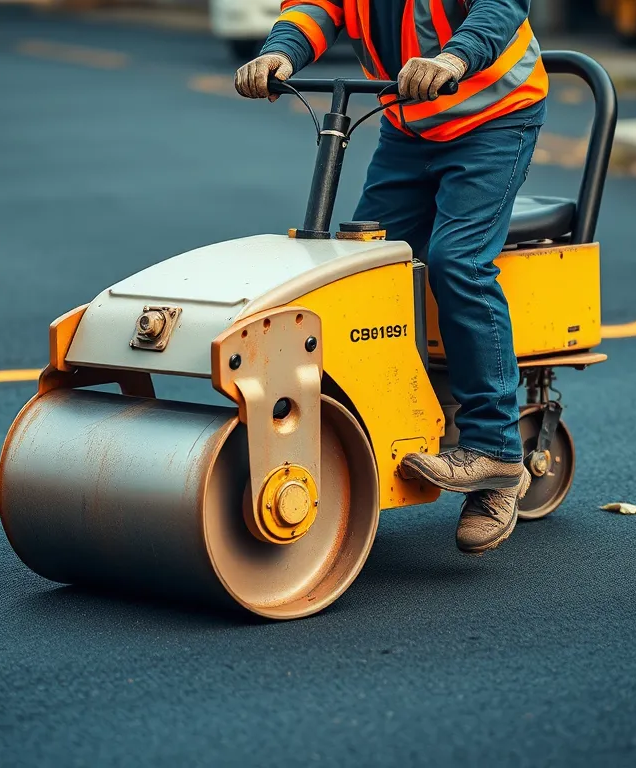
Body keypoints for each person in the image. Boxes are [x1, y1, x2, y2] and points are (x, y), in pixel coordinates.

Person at [235, 0, 548, 554]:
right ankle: (359, 429)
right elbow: (315, 5)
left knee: (458, 261)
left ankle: (497, 451)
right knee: (360, 263)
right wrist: (281, 51)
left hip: (493, 118)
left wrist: (454, 58)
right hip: (409, 123)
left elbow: (498, 8)